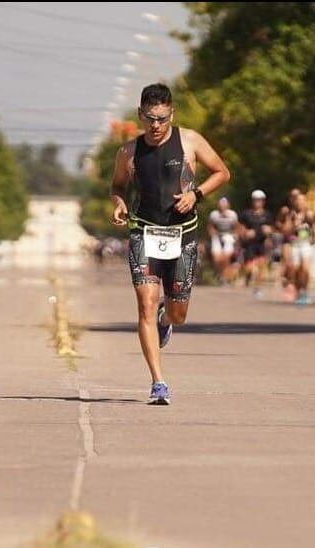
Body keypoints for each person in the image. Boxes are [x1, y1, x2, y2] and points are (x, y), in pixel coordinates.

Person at [110, 83, 230, 405]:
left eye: (162, 118)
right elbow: (118, 187)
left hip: (182, 234)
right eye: (150, 118)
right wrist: (119, 204)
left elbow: (222, 172)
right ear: (140, 115)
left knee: (179, 314)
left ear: (172, 113)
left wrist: (196, 194)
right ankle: (158, 382)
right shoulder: (128, 152)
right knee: (145, 305)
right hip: (144, 233)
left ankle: (167, 320)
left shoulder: (189, 140)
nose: (156, 126)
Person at [286, 192, 315, 305]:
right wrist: (294, 224)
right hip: (295, 244)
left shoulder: (309, 214)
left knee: (306, 269)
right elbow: (286, 230)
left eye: (303, 200)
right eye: (298, 201)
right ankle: (298, 291)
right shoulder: (291, 215)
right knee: (296, 270)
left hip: (306, 244)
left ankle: (305, 291)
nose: (300, 203)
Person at [238, 189, 274, 298]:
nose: (257, 202)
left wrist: (269, 230)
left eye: (259, 200)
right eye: (255, 200)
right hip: (249, 244)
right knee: (250, 268)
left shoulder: (267, 215)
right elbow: (239, 227)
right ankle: (248, 278)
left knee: (261, 267)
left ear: (263, 201)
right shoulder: (246, 214)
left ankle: (258, 288)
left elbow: (273, 228)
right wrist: (245, 233)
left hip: (261, 244)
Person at [276, 188, 302, 301]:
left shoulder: (304, 211)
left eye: (297, 196)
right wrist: (285, 225)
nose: (295, 199)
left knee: (298, 267)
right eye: (293, 196)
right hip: (287, 240)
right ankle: (289, 285)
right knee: (288, 264)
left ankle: (296, 287)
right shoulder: (285, 211)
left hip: (300, 241)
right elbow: (277, 223)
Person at [207, 197, 239, 286]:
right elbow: (210, 226)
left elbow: (236, 227)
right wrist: (212, 232)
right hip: (217, 236)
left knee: (226, 256)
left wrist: (235, 236)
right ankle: (220, 274)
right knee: (217, 257)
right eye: (221, 204)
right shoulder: (214, 214)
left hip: (228, 236)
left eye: (225, 204)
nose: (223, 206)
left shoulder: (232, 214)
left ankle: (225, 277)